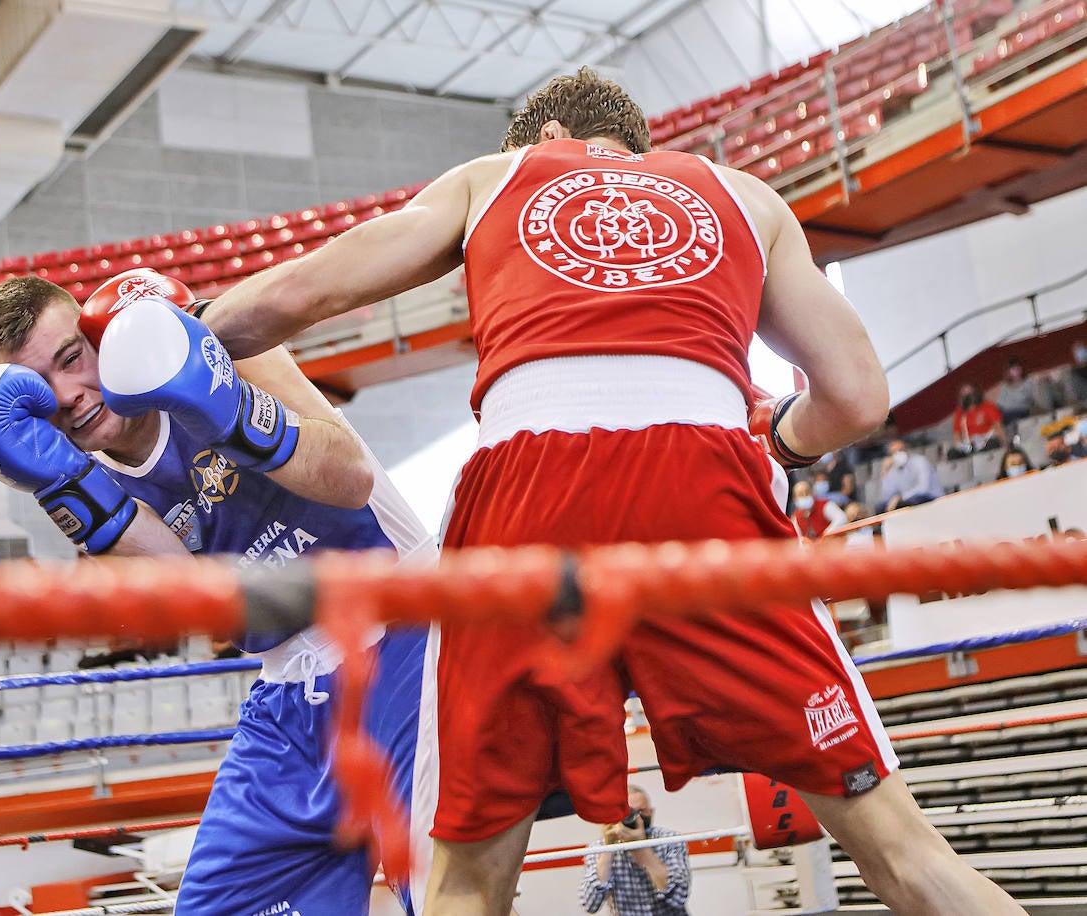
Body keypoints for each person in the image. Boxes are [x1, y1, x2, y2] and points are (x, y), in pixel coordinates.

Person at [195, 66, 1024, 916]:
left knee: (468, 883)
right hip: (708, 490)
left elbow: (304, 291)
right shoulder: (744, 196)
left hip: (526, 492)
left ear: (545, 140)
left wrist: (171, 335)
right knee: (903, 853)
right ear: (638, 147)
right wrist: (776, 437)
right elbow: (857, 398)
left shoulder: (499, 176)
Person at [0, 271, 436, 915]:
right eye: (38, 389)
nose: (67, 396)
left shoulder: (216, 344)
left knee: (443, 894)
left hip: (404, 630)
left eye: (72, 359)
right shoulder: (76, 476)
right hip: (291, 691)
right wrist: (68, 493)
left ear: (103, 333)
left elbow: (349, 477)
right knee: (218, 907)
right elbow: (207, 600)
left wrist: (227, 411)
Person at [579, 784, 689, 915]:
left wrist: (641, 846)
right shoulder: (599, 847)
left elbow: (678, 897)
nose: (635, 818)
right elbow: (590, 904)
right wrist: (608, 848)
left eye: (641, 812)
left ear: (650, 812)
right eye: (628, 812)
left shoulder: (669, 840)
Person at [879, 440, 943, 512]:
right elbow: (887, 495)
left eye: (900, 450)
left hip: (931, 497)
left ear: (907, 451)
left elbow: (923, 488)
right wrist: (884, 471)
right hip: (908, 499)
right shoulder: (893, 468)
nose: (897, 454)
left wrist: (901, 497)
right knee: (881, 507)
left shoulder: (920, 461)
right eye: (894, 452)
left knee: (907, 503)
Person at [949, 383, 1004, 457]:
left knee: (993, 443)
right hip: (969, 444)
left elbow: (997, 426)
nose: (968, 396)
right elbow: (957, 435)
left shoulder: (988, 406)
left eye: (969, 393)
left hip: (987, 440)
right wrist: (962, 444)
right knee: (952, 453)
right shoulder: (959, 413)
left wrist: (985, 437)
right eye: (965, 394)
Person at [995, 357, 1041, 431]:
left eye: (1018, 368)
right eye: (1013, 369)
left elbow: (1031, 400)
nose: (1016, 371)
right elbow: (1000, 404)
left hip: (1022, 411)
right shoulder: (1004, 386)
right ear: (1008, 371)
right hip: (1006, 413)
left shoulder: (1028, 382)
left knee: (1011, 418)